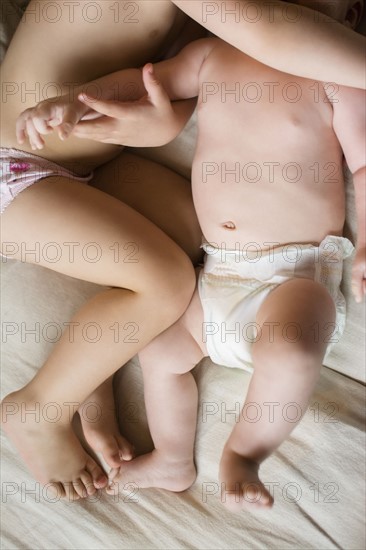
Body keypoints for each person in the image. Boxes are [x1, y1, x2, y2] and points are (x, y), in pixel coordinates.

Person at [1, 0, 365, 502]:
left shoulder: (308, 70)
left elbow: (164, 94)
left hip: (118, 180)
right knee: (165, 306)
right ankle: (45, 409)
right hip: (22, 163)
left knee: (203, 261)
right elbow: (251, 40)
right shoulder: (227, 43)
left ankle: (104, 386)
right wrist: (74, 105)